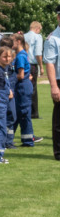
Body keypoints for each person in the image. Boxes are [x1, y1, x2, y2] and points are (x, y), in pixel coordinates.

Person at [9, 33, 37, 147]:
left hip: (22, 88)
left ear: (18, 42)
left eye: (12, 41)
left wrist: (7, 78)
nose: (11, 44)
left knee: (23, 113)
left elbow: (20, 75)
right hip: (23, 87)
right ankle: (10, 139)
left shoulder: (20, 56)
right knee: (19, 113)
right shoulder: (21, 54)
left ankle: (28, 140)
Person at [44, 9, 60, 160]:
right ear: (58, 17)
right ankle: (59, 153)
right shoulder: (53, 38)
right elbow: (50, 63)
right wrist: (54, 86)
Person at [24, 21, 44, 119]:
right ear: (37, 28)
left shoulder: (24, 36)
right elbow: (38, 53)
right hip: (32, 65)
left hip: (23, 63)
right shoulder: (38, 37)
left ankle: (26, 110)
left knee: (25, 88)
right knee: (33, 89)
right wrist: (41, 66)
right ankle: (34, 113)